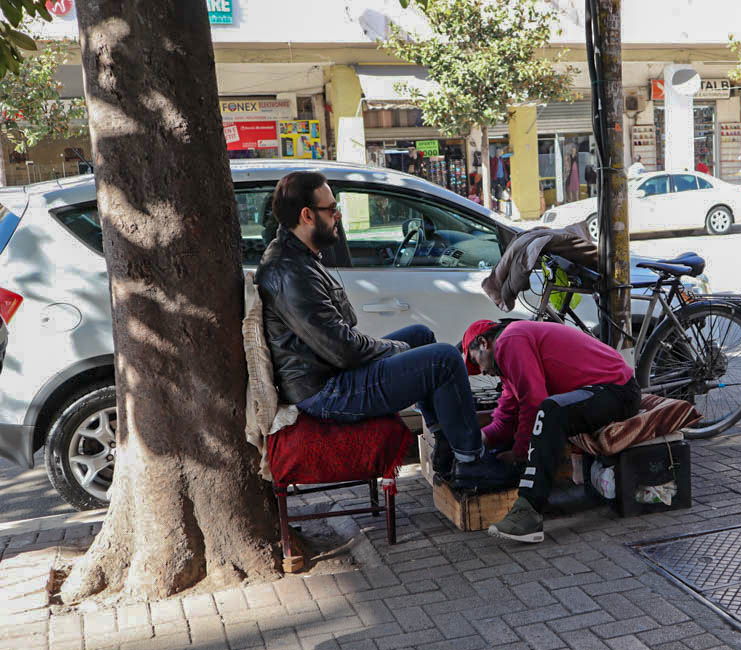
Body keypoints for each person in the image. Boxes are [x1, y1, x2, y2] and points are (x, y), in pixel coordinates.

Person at [255, 171, 506, 488]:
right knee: (443, 359)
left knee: (421, 336)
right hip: (327, 391)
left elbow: (340, 342)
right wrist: (395, 350)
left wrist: (396, 348)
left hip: (326, 373)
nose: (338, 216)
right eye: (331, 209)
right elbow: (343, 350)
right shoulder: (290, 272)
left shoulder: (297, 258)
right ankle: (473, 464)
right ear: (307, 215)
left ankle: (444, 446)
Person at [463, 320, 641, 543]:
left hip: (617, 390)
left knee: (550, 411)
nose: (481, 370)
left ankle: (528, 513)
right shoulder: (507, 365)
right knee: (549, 410)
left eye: (474, 360)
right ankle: (529, 505)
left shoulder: (510, 340)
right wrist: (476, 444)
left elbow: (534, 402)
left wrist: (519, 454)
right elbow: (506, 419)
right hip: (600, 390)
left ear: (483, 343)